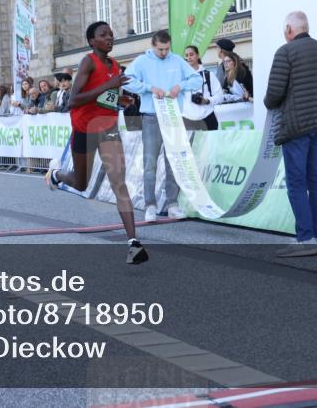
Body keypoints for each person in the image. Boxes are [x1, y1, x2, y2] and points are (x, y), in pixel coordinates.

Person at [47, 21, 147, 264]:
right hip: (84, 130)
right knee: (81, 183)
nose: (110, 38)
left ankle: (133, 244)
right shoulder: (88, 61)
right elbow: (74, 100)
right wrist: (108, 86)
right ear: (92, 41)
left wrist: (118, 101)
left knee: (119, 184)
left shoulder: (114, 65)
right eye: (104, 35)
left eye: (111, 34)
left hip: (108, 129)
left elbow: (105, 97)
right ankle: (57, 175)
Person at [264, 11, 317, 258]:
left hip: (296, 126)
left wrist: (270, 102)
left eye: (284, 30)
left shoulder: (285, 52)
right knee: (316, 181)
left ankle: (306, 238)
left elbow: (274, 94)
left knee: (297, 184)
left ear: (289, 29)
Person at [124, 29, 202, 222]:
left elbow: (197, 78)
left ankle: (172, 203)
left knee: (174, 161)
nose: (164, 53)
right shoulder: (142, 61)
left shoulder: (176, 60)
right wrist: (149, 88)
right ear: (153, 46)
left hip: (173, 116)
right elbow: (126, 80)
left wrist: (180, 86)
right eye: (160, 49)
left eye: (167, 49)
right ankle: (150, 205)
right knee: (149, 162)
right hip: (151, 116)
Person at [181, 45, 223, 130]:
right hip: (187, 120)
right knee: (191, 143)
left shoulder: (208, 75)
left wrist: (207, 101)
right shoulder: (180, 77)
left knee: (210, 143)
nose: (189, 57)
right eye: (186, 55)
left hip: (207, 117)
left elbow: (220, 96)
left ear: (197, 55)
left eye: (191, 54)